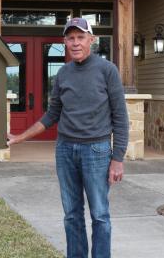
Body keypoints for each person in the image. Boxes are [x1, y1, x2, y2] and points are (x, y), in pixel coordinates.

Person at [7, 17, 128, 258]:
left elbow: (121, 118)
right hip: (65, 151)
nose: (75, 43)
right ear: (64, 42)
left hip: (97, 151)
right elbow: (52, 115)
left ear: (91, 40)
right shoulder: (62, 74)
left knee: (100, 215)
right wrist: (20, 138)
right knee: (71, 214)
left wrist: (118, 159)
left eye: (80, 37)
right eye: (70, 38)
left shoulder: (108, 71)